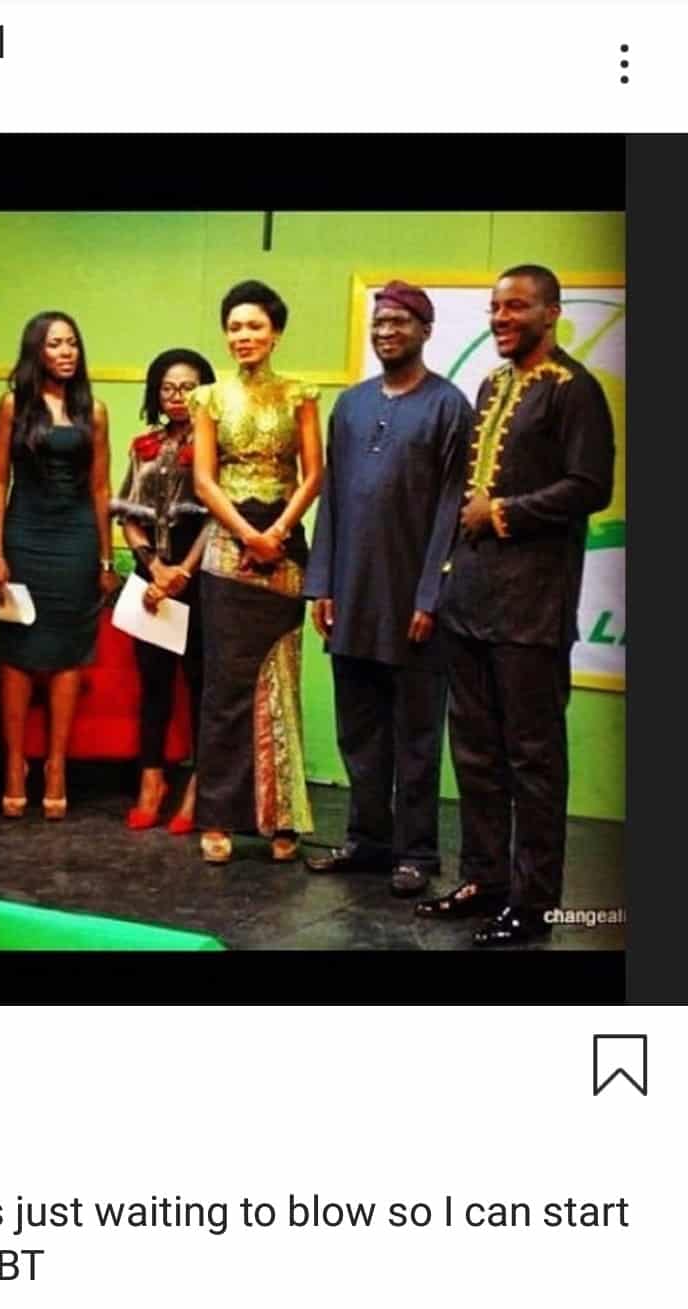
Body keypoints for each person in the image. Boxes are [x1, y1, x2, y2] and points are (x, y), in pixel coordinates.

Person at [415, 264, 615, 945]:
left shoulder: (574, 389)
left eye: (517, 307)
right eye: (496, 308)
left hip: (532, 606)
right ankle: (484, 879)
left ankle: (534, 901)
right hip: (471, 599)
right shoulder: (492, 383)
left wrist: (501, 512)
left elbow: (590, 486)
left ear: (551, 313)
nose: (502, 318)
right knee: (474, 752)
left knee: (533, 758)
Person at [304, 281, 472, 897]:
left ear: (425, 330)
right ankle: (368, 840)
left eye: (399, 321)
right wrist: (322, 583)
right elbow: (333, 499)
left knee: (417, 737)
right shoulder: (350, 406)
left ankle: (417, 853)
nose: (386, 332)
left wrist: (430, 596)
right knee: (359, 731)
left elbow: (453, 510)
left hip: (413, 606)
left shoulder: (449, 406)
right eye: (379, 322)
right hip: (351, 597)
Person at [190, 281, 324, 864]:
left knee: (280, 683)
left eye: (255, 326)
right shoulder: (208, 398)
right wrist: (248, 535)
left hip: (285, 543)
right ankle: (218, 817)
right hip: (228, 545)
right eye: (234, 327)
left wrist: (278, 533)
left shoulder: (301, 394)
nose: (243, 336)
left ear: (276, 333)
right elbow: (204, 480)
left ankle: (282, 817)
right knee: (225, 687)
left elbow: (313, 474)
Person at [0, 311, 118, 819]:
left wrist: (105, 557)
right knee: (18, 651)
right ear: (36, 352)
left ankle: (56, 766)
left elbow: (101, 488)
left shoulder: (95, 411)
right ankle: (14, 765)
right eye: (54, 344)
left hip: (77, 539)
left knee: (68, 652)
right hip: (24, 535)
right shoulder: (12, 405)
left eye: (71, 344)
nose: (66, 353)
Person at [114, 348, 217, 834]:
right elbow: (128, 514)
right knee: (153, 687)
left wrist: (183, 573)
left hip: (199, 579)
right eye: (168, 388)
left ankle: (198, 788)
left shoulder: (217, 444)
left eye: (188, 388)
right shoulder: (144, 446)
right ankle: (150, 782)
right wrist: (154, 568)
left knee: (200, 686)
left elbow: (218, 517)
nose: (177, 397)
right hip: (151, 580)